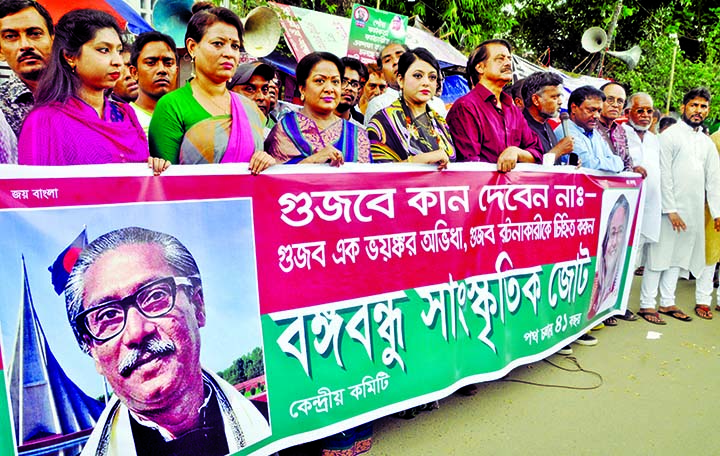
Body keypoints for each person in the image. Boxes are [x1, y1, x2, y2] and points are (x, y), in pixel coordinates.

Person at [64, 227, 271, 456]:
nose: (136, 332)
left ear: (198, 305)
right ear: (92, 350)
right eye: (108, 315)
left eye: (154, 296)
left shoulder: (287, 435)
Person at [16, 9, 167, 174]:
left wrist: (153, 167)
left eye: (118, 50)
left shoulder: (125, 114)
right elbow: (35, 188)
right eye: (104, 50)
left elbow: (138, 171)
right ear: (70, 56)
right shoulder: (44, 121)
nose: (117, 61)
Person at [149, 2, 273, 174]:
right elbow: (165, 179)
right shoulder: (172, 107)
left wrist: (266, 162)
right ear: (193, 47)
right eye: (218, 43)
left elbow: (261, 168)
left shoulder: (250, 108)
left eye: (235, 46)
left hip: (247, 200)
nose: (229, 53)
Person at [639, 87, 720, 324]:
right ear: (683, 107)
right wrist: (670, 209)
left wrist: (716, 213)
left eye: (703, 107)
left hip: (693, 210)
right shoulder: (669, 136)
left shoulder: (705, 142)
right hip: (668, 210)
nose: (699, 111)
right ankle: (646, 304)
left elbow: (713, 180)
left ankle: (666, 302)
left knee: (678, 258)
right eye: (694, 105)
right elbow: (663, 174)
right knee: (659, 257)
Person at [446, 39, 542, 171]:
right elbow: (469, 166)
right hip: (481, 189)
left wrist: (515, 152)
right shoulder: (466, 107)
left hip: (513, 189)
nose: (508, 63)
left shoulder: (512, 109)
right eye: (500, 59)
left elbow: (537, 153)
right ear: (480, 67)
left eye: (509, 58)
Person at [265, 51, 370, 165]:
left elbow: (367, 180)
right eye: (320, 81)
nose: (329, 89)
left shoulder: (357, 135)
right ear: (302, 89)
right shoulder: (285, 129)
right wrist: (313, 161)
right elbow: (274, 179)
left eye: (335, 82)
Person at [367, 47, 454, 169]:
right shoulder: (382, 123)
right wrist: (421, 160)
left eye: (432, 77)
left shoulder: (440, 123)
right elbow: (376, 174)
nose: (426, 82)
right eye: (418, 76)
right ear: (401, 80)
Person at [620, 92, 660, 320]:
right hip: (626, 208)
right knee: (623, 256)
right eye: (640, 110)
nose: (646, 115)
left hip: (652, 208)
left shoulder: (655, 139)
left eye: (649, 111)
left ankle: (637, 303)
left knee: (640, 258)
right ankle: (616, 306)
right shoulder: (621, 134)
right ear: (628, 113)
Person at [0, 0, 53, 137]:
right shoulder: (2, 109)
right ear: (0, 51)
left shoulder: (88, 93)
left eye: (35, 33)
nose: (25, 45)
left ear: (53, 40)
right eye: (11, 36)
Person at [364, 42, 446, 127]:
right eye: (387, 60)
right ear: (381, 71)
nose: (396, 61)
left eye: (400, 56)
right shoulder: (378, 105)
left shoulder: (437, 105)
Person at [554, 85, 624, 173]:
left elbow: (619, 163)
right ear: (574, 108)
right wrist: (606, 163)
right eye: (591, 110)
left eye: (599, 111)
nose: (597, 116)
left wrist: (595, 162)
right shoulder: (565, 131)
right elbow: (586, 164)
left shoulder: (595, 133)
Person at [588, 195, 631, 319]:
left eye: (620, 232)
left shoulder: (620, 279)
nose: (615, 242)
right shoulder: (593, 285)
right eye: (612, 233)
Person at [128, 31, 178, 136]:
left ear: (177, 71)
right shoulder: (124, 121)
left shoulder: (186, 118)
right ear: (134, 72)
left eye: (168, 63)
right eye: (151, 63)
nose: (162, 70)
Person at [520, 71, 574, 162]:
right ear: (536, 100)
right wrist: (558, 150)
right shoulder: (521, 127)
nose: (560, 102)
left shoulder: (546, 125)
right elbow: (528, 168)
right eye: (554, 97)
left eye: (559, 96)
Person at [597, 82, 633, 172]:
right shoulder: (589, 127)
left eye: (620, 101)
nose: (615, 105)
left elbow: (627, 161)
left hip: (618, 185)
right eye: (610, 99)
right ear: (599, 101)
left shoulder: (620, 131)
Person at [335, 56, 367, 126]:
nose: (350, 88)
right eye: (343, 81)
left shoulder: (361, 133)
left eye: (355, 84)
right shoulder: (309, 123)